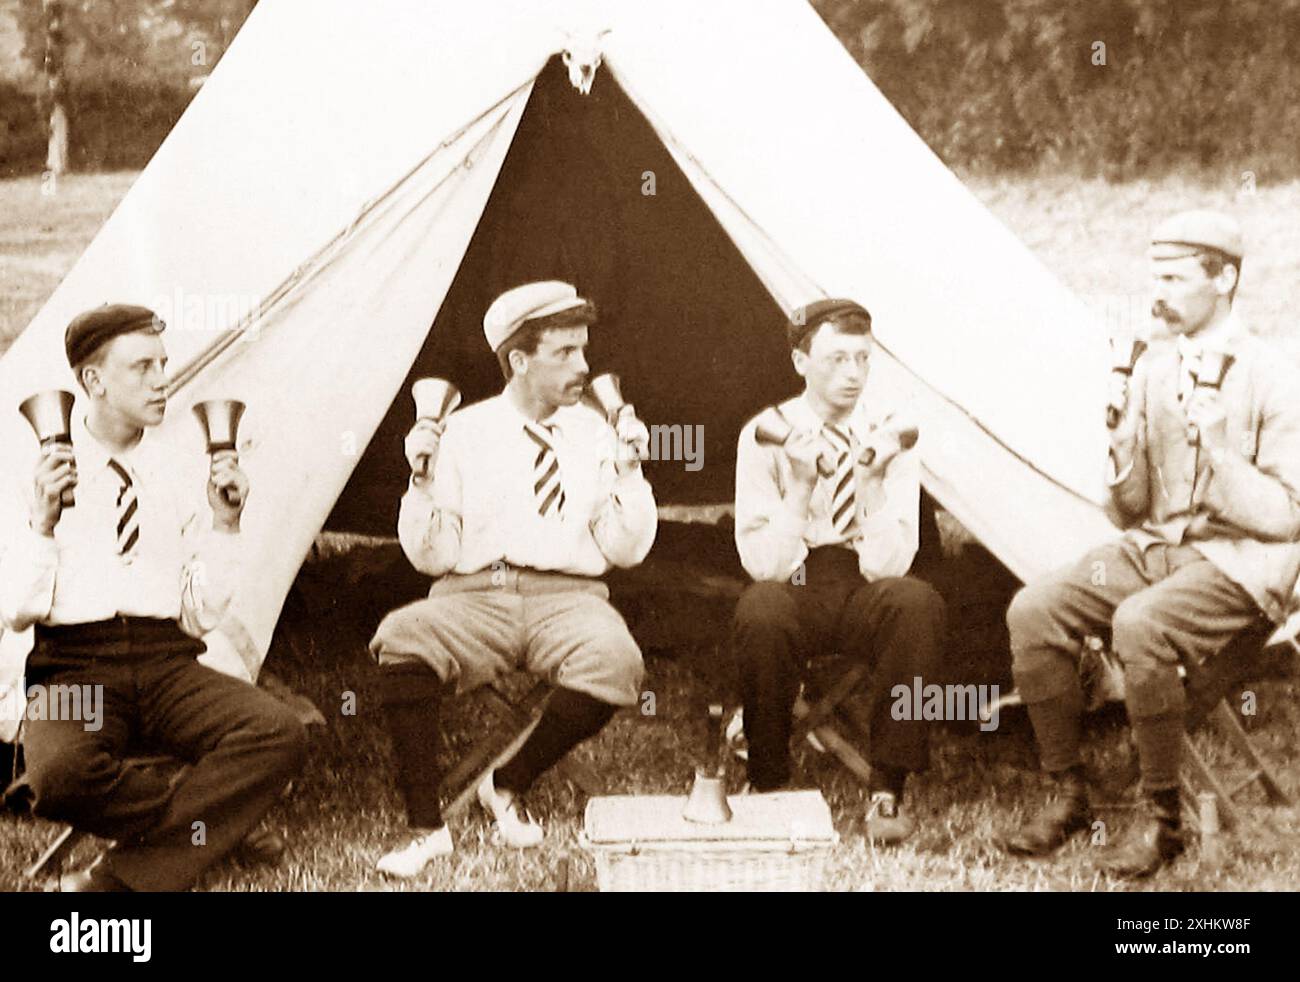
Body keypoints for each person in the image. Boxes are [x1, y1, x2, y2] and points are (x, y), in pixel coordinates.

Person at [1000, 210, 1300, 877]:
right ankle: (1069, 793)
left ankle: (1162, 818)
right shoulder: (1153, 370)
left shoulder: (1275, 374)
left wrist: (1219, 448)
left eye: (1173, 277)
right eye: (1153, 276)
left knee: (1140, 626)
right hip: (1157, 548)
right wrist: (1119, 449)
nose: (1156, 292)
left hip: (1245, 562)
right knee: (1034, 608)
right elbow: (1132, 510)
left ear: (1223, 279)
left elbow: (1286, 519)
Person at [0, 304, 307, 892]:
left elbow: (200, 614)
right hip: (74, 669)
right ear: (94, 381)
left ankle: (119, 879)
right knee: (60, 774)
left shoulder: (179, 466)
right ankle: (215, 825)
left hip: (168, 663)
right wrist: (41, 523)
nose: (162, 379)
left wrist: (225, 525)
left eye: (162, 364)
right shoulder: (38, 468)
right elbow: (16, 610)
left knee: (278, 732)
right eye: (142, 367)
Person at [370, 280, 656, 877]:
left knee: (617, 660)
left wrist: (629, 474)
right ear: (519, 361)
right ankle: (425, 827)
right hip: (477, 594)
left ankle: (505, 782)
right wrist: (419, 480)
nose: (582, 365)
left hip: (570, 596)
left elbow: (625, 550)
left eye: (583, 349)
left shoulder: (595, 433)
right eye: (564, 353)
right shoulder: (464, 433)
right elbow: (432, 555)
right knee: (402, 634)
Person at [731, 298, 946, 844]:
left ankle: (887, 786)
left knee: (917, 603)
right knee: (761, 610)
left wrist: (873, 485)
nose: (853, 375)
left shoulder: (890, 432)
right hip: (798, 575)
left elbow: (888, 564)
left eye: (863, 360)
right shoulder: (765, 432)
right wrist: (800, 488)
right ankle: (768, 780)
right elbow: (766, 566)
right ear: (801, 362)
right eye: (836, 360)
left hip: (863, 579)